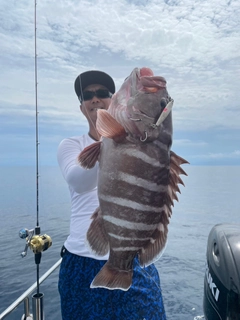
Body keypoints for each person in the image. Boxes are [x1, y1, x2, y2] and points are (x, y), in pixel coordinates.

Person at [57, 70, 167, 320]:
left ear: (115, 101)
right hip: (81, 260)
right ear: (81, 106)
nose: (94, 99)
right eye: (87, 95)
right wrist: (116, 140)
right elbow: (79, 181)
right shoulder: (71, 145)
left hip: (133, 260)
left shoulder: (139, 140)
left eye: (102, 94)